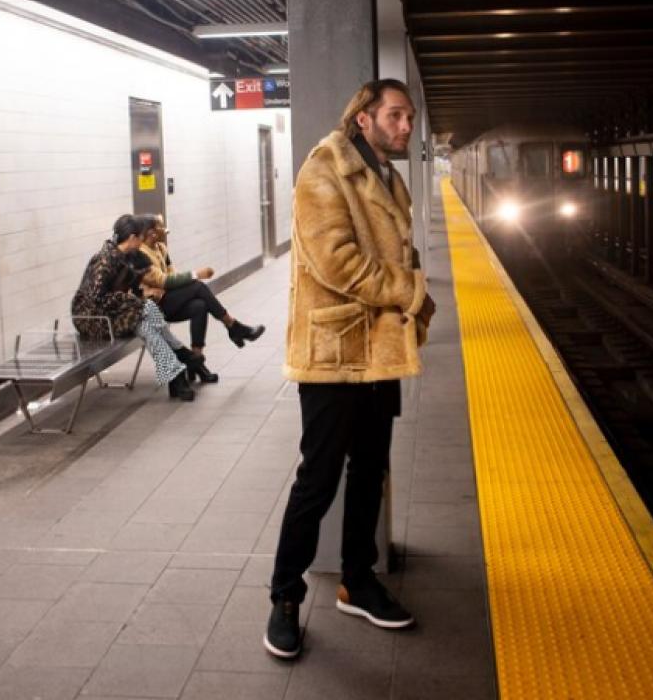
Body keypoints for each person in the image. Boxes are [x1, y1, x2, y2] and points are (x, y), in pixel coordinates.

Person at [264, 79, 437, 659]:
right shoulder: (324, 169)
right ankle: (284, 597)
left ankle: (357, 581)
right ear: (364, 118)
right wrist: (410, 290)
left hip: (380, 349)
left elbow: (399, 252)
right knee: (317, 479)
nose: (406, 126)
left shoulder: (387, 176)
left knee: (369, 471)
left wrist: (415, 297)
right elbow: (335, 263)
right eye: (395, 115)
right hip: (334, 353)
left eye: (409, 117)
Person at [71, 214, 200, 401]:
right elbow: (96, 300)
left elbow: (143, 283)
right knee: (144, 311)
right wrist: (131, 299)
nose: (142, 241)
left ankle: (176, 374)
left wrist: (142, 295)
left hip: (114, 312)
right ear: (132, 238)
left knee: (145, 323)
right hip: (92, 319)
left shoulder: (130, 257)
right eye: (141, 237)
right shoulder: (103, 261)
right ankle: (180, 354)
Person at [135, 215, 265, 383]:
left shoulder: (161, 248)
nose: (165, 230)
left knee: (200, 306)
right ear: (151, 232)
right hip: (155, 306)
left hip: (168, 298)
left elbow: (172, 275)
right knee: (197, 286)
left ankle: (196, 362)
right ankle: (232, 326)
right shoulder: (141, 255)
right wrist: (195, 274)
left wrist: (183, 282)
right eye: (161, 227)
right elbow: (161, 280)